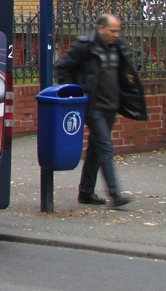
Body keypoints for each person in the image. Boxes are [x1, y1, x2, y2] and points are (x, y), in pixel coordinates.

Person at [55, 13, 148, 207]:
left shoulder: (118, 47)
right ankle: (115, 194)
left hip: (111, 106)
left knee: (96, 150)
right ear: (101, 28)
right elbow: (63, 67)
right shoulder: (85, 46)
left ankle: (86, 192)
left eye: (118, 31)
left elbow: (125, 75)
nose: (116, 34)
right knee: (105, 145)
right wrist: (75, 93)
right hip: (93, 105)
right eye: (112, 31)